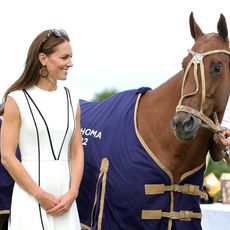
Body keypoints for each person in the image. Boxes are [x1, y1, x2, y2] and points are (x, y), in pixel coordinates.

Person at [0, 29, 84, 230]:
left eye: (71, 57)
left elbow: (76, 151)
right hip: (30, 198)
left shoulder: (72, 100)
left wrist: (73, 192)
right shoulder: (17, 99)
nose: (70, 63)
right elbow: (7, 156)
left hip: (66, 200)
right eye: (64, 57)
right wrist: (39, 194)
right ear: (43, 58)